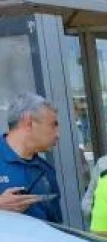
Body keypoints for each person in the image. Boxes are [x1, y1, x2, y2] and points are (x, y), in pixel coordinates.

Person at [0, 93, 62, 223]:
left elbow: (56, 226)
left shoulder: (46, 170)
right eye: (53, 125)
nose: (58, 134)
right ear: (29, 122)